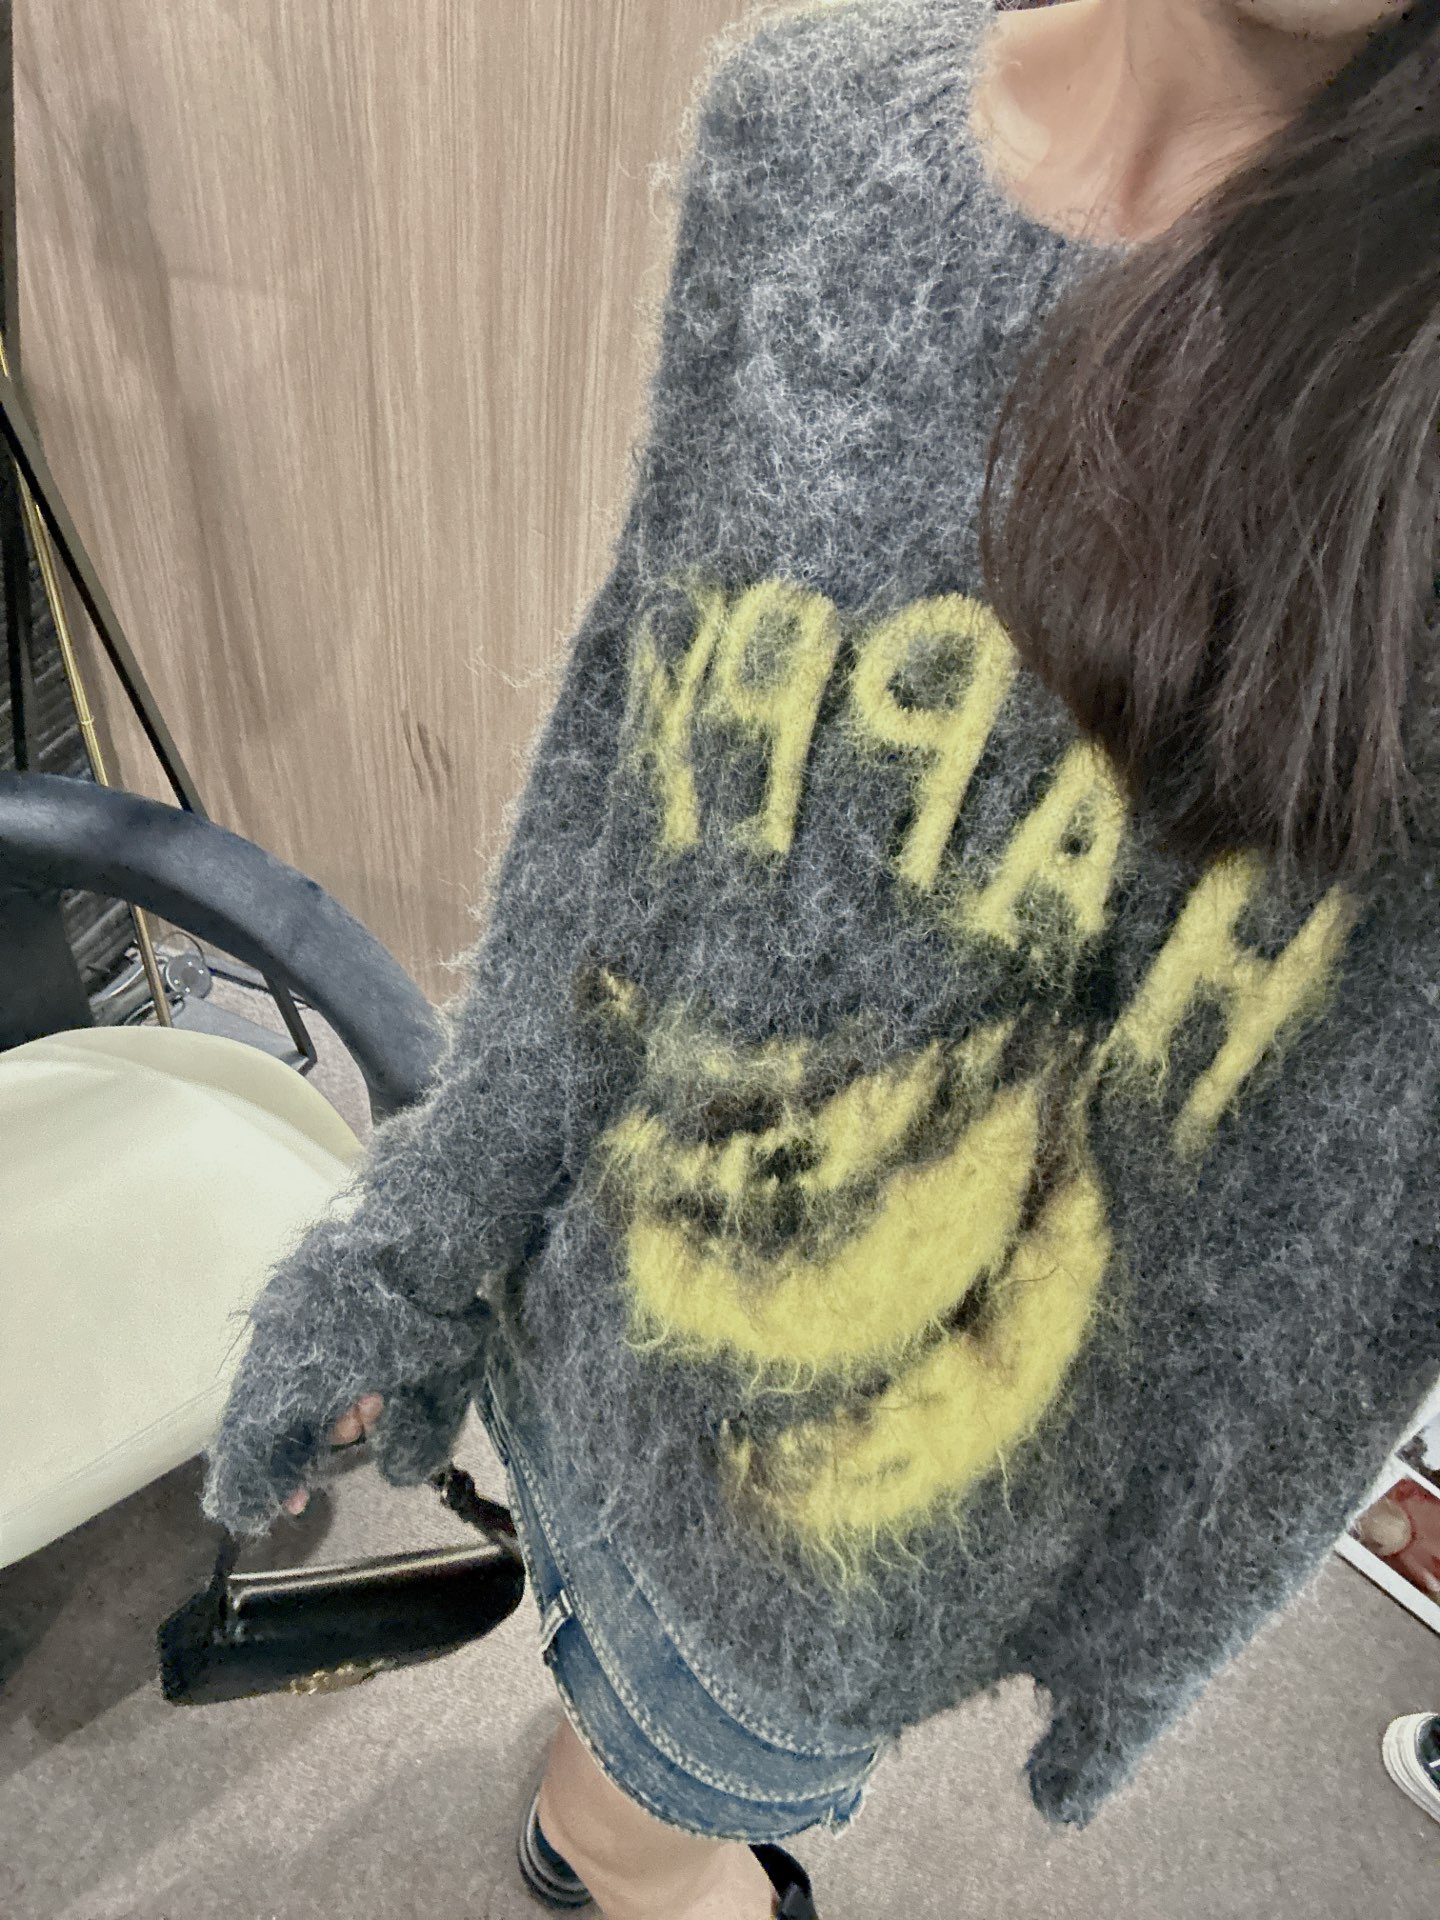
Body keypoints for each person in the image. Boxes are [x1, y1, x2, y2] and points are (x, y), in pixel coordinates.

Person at [201, 2, 1440, 1915]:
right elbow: (637, 743)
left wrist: (1146, 1619)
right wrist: (429, 1229)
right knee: (602, 1723)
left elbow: (1355, 1228)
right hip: (586, 1289)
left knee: (644, 1820)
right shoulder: (810, 121)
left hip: (857, 1540)